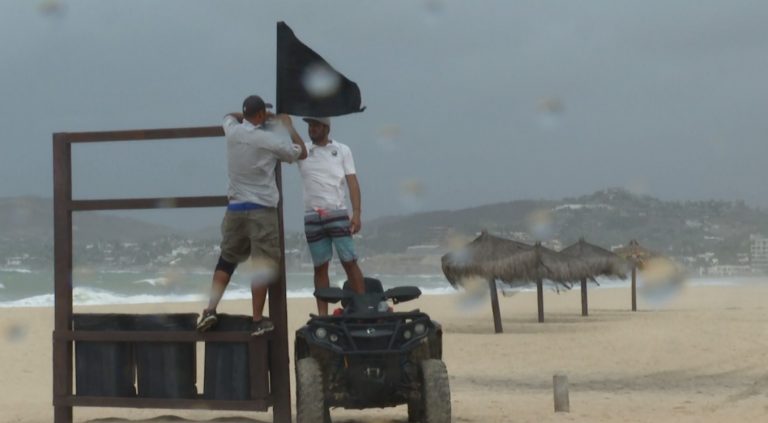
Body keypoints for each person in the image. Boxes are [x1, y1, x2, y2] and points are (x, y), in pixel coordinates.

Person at [196, 95, 307, 335]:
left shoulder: (233, 132)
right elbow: (302, 152)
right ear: (260, 116)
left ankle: (210, 309)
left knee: (226, 260)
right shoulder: (268, 140)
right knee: (261, 265)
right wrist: (288, 126)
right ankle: (257, 320)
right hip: (261, 210)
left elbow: (227, 116)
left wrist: (247, 115)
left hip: (235, 209)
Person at [298, 117, 365, 315]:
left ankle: (363, 308)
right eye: (310, 125)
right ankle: (322, 315)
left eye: (316, 125)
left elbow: (352, 181)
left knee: (349, 261)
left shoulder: (342, 149)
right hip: (312, 214)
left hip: (336, 211)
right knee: (320, 266)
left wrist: (357, 213)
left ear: (326, 127)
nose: (312, 129)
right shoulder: (303, 150)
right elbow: (287, 145)